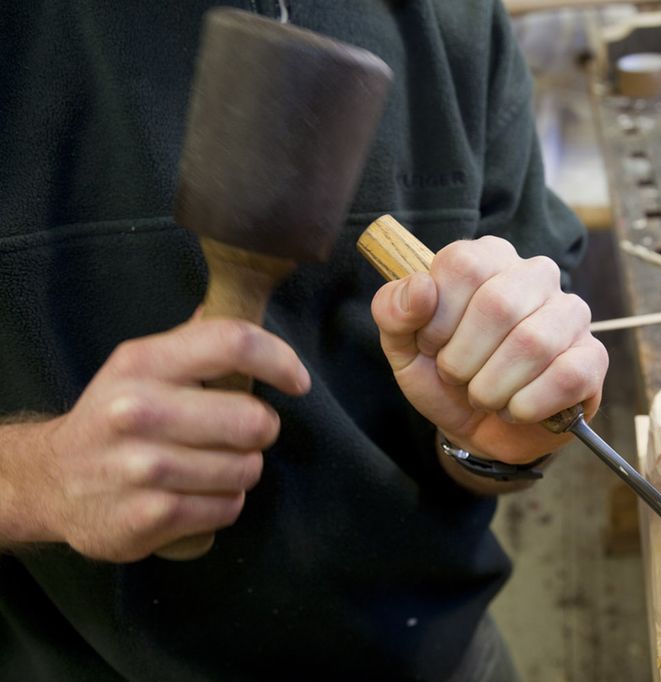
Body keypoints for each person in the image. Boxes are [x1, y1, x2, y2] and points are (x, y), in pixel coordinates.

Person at [0, 1, 608, 680]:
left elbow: (505, 421)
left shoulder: (454, 17)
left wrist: (501, 436)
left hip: (428, 654)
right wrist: (32, 477)